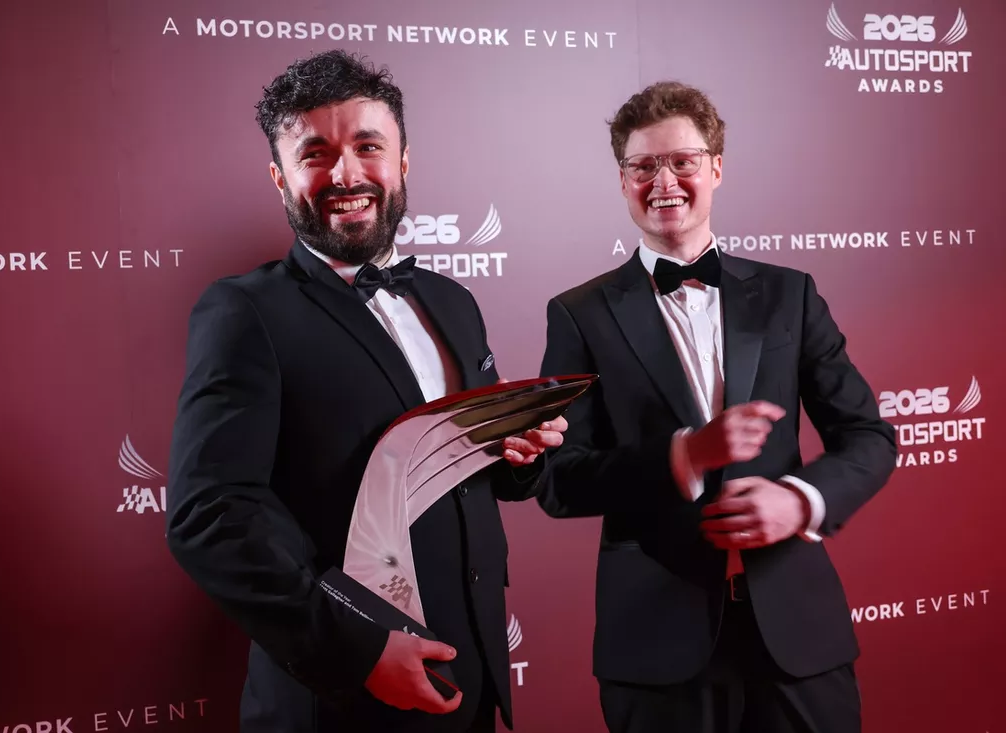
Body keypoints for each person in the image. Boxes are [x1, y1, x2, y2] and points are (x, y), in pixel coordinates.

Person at [165, 50, 565, 733]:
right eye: (315, 154)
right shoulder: (245, 311)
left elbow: (481, 473)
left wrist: (520, 452)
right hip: (338, 699)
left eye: (368, 146)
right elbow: (210, 516)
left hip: (469, 679)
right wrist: (360, 649)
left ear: (403, 161)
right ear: (280, 177)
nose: (346, 174)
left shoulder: (453, 301)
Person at [528, 81, 897, 732]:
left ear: (717, 168)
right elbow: (559, 480)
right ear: (623, 181)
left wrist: (800, 501)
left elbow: (868, 436)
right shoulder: (579, 314)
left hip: (797, 632)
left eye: (683, 161)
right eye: (644, 165)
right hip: (656, 641)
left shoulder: (790, 294)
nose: (663, 181)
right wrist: (682, 457)